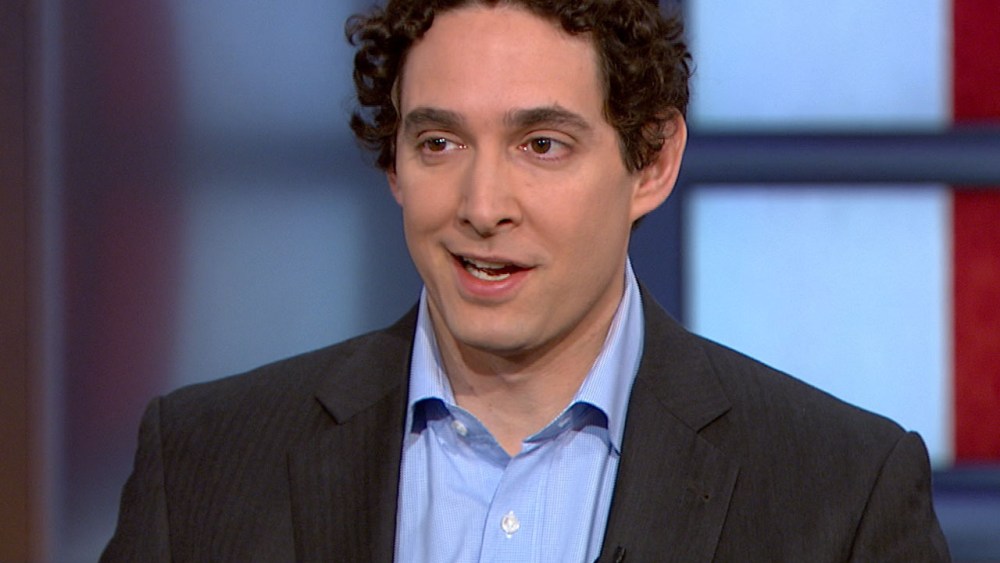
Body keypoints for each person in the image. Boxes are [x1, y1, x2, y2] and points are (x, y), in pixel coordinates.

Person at [102, 0, 951, 561]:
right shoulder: (203, 465)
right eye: (439, 143)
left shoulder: (841, 494)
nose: (482, 205)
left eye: (541, 145)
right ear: (393, 162)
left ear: (653, 161)